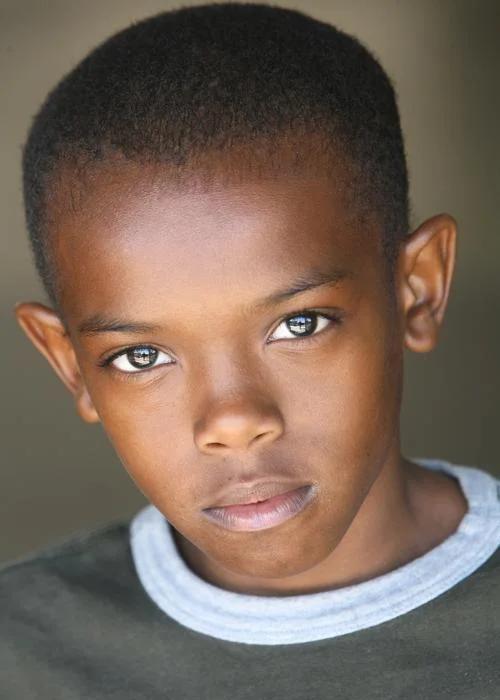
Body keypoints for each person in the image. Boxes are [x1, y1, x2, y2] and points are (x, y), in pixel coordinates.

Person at [2, 3, 499, 698]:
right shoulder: (22, 653)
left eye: (300, 325)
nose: (233, 421)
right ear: (69, 364)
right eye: (141, 357)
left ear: (417, 291)